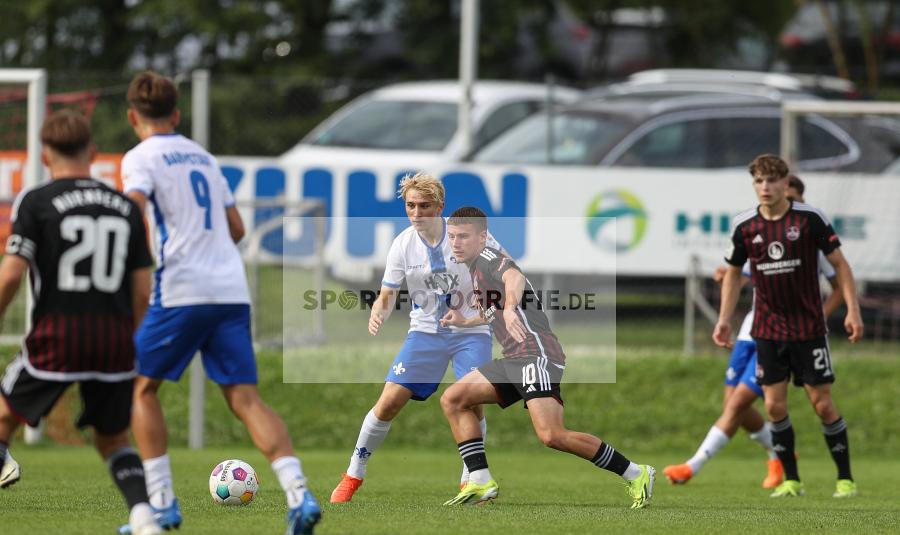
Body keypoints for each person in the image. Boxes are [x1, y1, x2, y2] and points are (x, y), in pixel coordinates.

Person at [117, 71, 320, 535]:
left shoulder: (140, 157)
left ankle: (163, 504)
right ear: (177, 114)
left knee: (140, 390)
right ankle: (299, 494)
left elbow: (132, 209)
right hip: (230, 290)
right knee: (246, 398)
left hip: (181, 289)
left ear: (132, 117)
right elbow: (236, 229)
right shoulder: (205, 158)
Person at [0, 110, 163, 535]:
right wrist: (129, 338)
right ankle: (144, 517)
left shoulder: (35, 202)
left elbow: (12, 275)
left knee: (3, 414)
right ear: (92, 152)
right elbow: (142, 290)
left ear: (45, 155)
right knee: (113, 438)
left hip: (56, 336)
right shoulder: (126, 208)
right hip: (113, 341)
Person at [437, 206, 655, 508]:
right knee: (454, 399)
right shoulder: (475, 269)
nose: (456, 242)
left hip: (535, 354)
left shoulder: (489, 259)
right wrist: (466, 321)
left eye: (463, 236)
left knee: (552, 435)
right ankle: (480, 479)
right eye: (452, 237)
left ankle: (636, 472)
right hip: (514, 358)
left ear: (483, 237)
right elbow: (493, 312)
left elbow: (514, 277)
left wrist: (511, 306)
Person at [330, 172, 502, 503]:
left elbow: (504, 276)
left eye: (425, 206)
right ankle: (353, 475)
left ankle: (472, 477)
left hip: (472, 330)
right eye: (411, 205)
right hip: (425, 331)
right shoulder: (403, 244)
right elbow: (387, 293)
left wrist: (484, 305)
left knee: (471, 398)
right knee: (388, 402)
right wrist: (378, 309)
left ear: (440, 206)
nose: (417, 212)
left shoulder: (470, 234)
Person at [664, 176, 844, 487]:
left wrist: (818, 318)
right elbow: (741, 273)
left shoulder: (811, 242)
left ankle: (692, 467)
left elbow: (840, 283)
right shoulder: (761, 233)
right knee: (733, 405)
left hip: (780, 334)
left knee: (738, 405)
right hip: (750, 331)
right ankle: (778, 454)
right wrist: (727, 275)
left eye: (792, 198)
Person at [714, 154, 863, 499]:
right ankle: (792, 480)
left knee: (822, 404)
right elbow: (733, 272)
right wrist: (724, 319)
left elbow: (841, 266)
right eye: (759, 181)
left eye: (772, 180)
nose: (765, 187)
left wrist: (852, 311)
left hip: (808, 328)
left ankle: (845, 479)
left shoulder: (809, 220)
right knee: (774, 407)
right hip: (767, 329)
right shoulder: (744, 226)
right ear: (754, 184)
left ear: (785, 183)